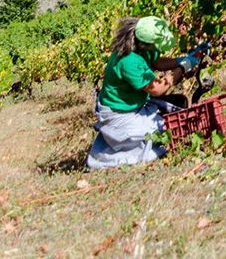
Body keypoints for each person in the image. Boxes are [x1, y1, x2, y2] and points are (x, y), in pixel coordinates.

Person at [86, 16, 202, 170]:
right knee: (158, 133)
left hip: (134, 106)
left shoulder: (141, 48)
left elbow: (158, 62)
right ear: (145, 43)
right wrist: (183, 68)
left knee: (177, 105)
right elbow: (157, 89)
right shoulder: (129, 61)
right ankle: (108, 156)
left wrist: (182, 59)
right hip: (119, 114)